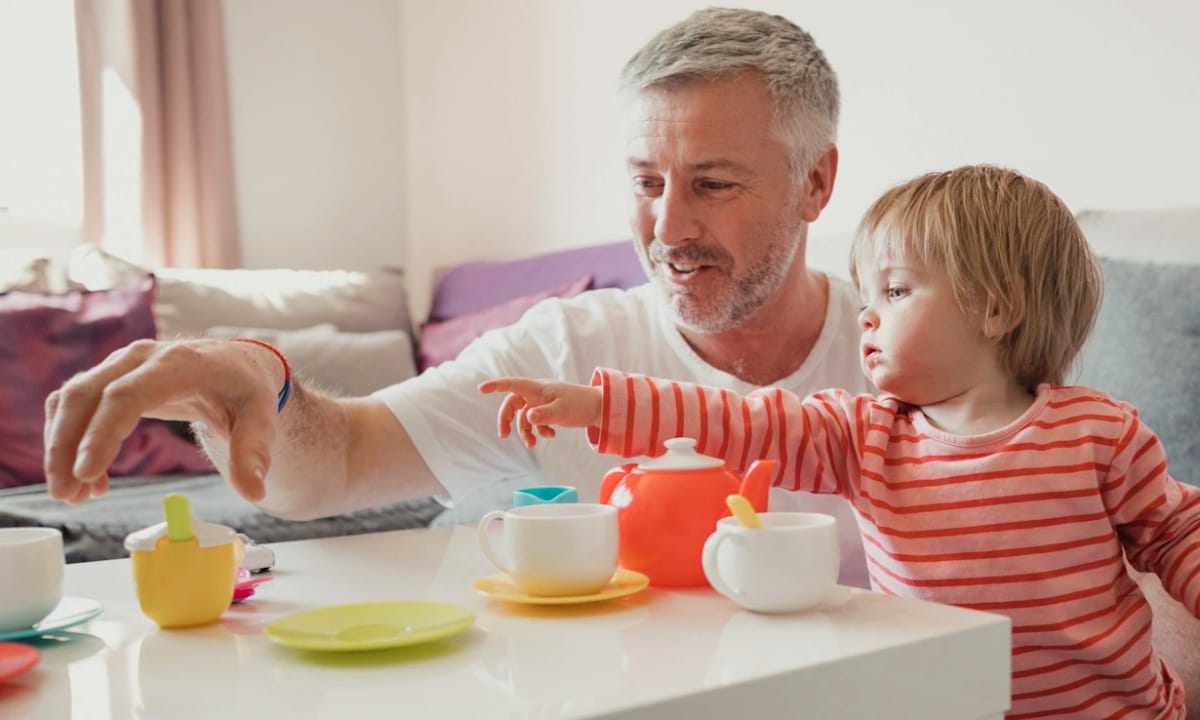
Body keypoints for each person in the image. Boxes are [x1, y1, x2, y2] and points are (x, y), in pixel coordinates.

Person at [41, 8, 871, 585]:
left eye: (714, 183)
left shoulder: (912, 352)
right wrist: (257, 383)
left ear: (815, 182)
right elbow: (332, 472)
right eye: (646, 182)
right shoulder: (564, 352)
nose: (668, 226)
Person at [479, 165, 1200, 719]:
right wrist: (602, 403)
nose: (867, 315)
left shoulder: (1099, 432)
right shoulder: (862, 434)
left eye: (894, 291)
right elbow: (737, 420)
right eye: (866, 292)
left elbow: (1177, 534)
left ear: (997, 308)